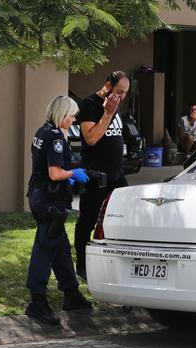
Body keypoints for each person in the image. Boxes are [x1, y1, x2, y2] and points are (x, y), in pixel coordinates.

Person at [26, 96, 93, 326]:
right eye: (72, 115)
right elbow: (55, 173)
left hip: (41, 196)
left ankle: (71, 294)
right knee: (45, 247)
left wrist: (72, 171)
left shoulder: (41, 131)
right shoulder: (55, 137)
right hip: (48, 201)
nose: (74, 119)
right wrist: (73, 174)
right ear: (62, 114)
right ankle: (36, 301)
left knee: (61, 247)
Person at [74, 71, 130, 280]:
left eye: (125, 93)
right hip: (96, 175)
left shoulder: (115, 104)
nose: (121, 97)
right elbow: (91, 139)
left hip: (116, 174)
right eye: (119, 92)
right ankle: (82, 264)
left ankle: (115, 262)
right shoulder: (89, 105)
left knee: (123, 217)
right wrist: (107, 113)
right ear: (107, 85)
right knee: (88, 220)